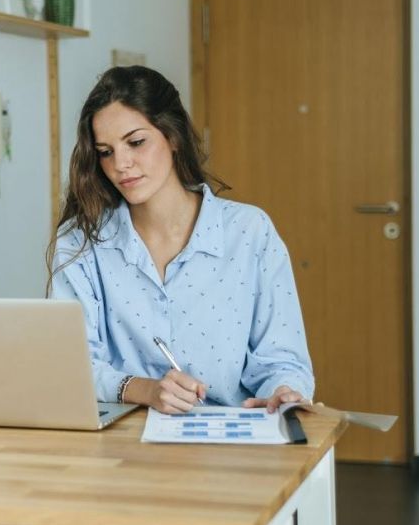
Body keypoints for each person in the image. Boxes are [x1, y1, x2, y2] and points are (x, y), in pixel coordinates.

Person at [46, 65, 314, 415]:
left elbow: (283, 359)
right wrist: (144, 389)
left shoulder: (250, 232)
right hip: (120, 443)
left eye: (136, 142)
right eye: (105, 151)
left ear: (172, 136)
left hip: (232, 440)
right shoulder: (81, 242)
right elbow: (71, 365)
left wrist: (283, 392)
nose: (121, 164)